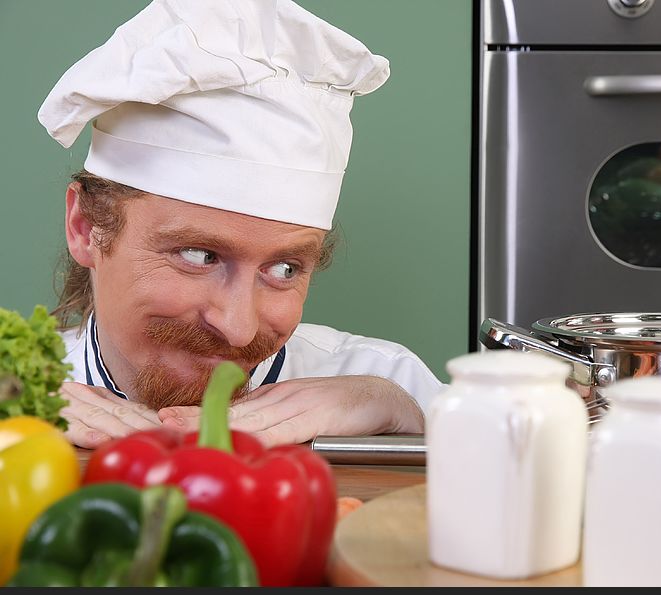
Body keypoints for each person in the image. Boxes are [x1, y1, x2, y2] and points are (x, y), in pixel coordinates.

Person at [38, 0, 443, 448]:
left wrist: (414, 427)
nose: (238, 327)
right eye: (197, 256)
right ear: (84, 227)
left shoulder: (390, 384)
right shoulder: (16, 394)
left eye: (284, 269)